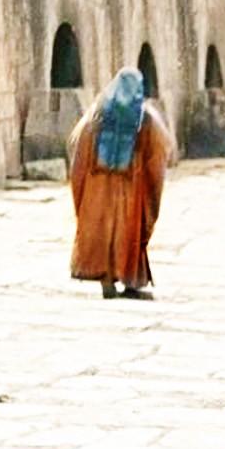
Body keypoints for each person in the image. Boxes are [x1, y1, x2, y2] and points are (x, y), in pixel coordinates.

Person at [69, 68, 168, 300]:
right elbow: (156, 162)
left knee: (102, 232)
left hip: (97, 187)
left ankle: (106, 277)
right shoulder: (146, 120)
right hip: (130, 188)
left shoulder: (96, 116)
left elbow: (79, 160)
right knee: (128, 236)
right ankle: (129, 277)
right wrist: (151, 202)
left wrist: (81, 200)